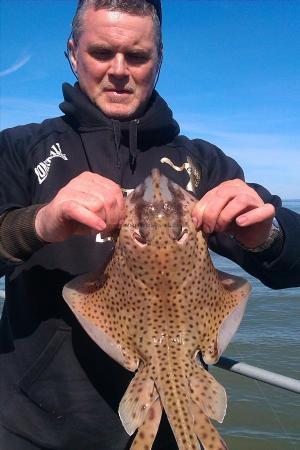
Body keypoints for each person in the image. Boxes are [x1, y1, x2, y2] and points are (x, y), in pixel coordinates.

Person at [0, 1, 299, 449]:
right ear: (72, 51)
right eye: (102, 52)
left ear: (158, 59)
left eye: (137, 56)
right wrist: (39, 223)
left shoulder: (203, 162)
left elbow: (292, 260)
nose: (119, 70)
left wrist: (266, 235)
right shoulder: (21, 149)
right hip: (34, 428)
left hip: (161, 428)